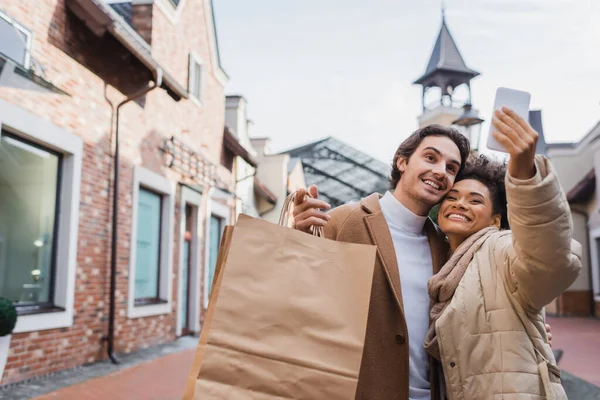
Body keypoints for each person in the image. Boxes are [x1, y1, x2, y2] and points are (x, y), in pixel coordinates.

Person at [293, 109, 554, 400]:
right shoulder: (344, 220)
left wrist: (518, 326)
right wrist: (299, 236)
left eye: (452, 168)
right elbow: (297, 300)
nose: (441, 171)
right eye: (431, 158)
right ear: (402, 162)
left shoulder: (447, 249)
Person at [426, 108, 580, 399]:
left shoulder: (500, 248)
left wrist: (525, 176)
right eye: (452, 197)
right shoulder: (444, 265)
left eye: (474, 200)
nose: (460, 204)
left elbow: (547, 256)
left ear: (495, 220)